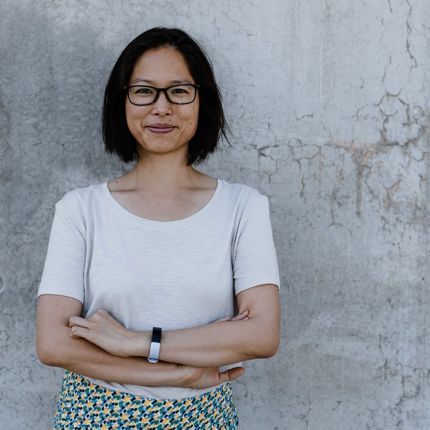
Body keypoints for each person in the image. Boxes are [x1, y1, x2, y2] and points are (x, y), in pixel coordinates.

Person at [36, 27, 281, 429]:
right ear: (122, 102)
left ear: (203, 101)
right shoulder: (80, 210)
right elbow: (53, 344)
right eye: (144, 91)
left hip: (205, 418)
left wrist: (136, 342)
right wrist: (178, 373)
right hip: (95, 416)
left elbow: (261, 336)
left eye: (179, 91)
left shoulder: (243, 207)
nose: (162, 107)